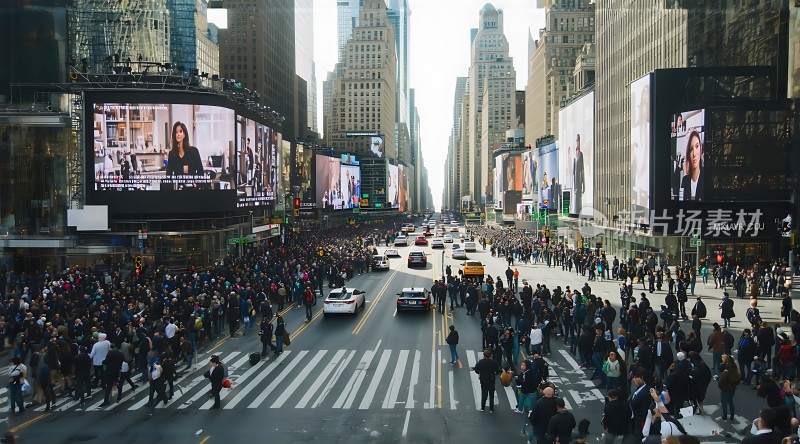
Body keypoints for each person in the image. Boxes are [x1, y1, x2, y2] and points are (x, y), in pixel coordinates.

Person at [472, 348, 501, 413]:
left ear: (484, 355)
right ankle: (491, 409)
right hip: (491, 380)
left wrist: (480, 373)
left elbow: (476, 370)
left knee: (484, 393)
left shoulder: (480, 362)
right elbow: (498, 371)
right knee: (491, 394)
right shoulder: (494, 362)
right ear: (490, 355)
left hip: (483, 380)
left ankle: (483, 408)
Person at [679, 130, 704, 201]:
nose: (694, 154)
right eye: (691, 149)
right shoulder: (685, 180)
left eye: (697, 146)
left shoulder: (706, 177)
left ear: (701, 149)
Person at [717, 355, 740, 421]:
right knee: (730, 401)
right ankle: (732, 416)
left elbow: (720, 382)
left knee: (724, 404)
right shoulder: (735, 369)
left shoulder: (726, 371)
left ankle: (724, 416)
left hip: (725, 389)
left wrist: (721, 387)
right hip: (732, 389)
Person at [572, 134, 585, 214]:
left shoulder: (581, 154)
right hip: (576, 185)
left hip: (580, 184)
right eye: (577, 140)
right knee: (576, 204)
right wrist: (574, 186)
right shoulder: (575, 156)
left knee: (579, 203)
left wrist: (584, 185)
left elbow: (582, 170)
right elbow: (573, 173)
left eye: (578, 140)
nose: (577, 142)